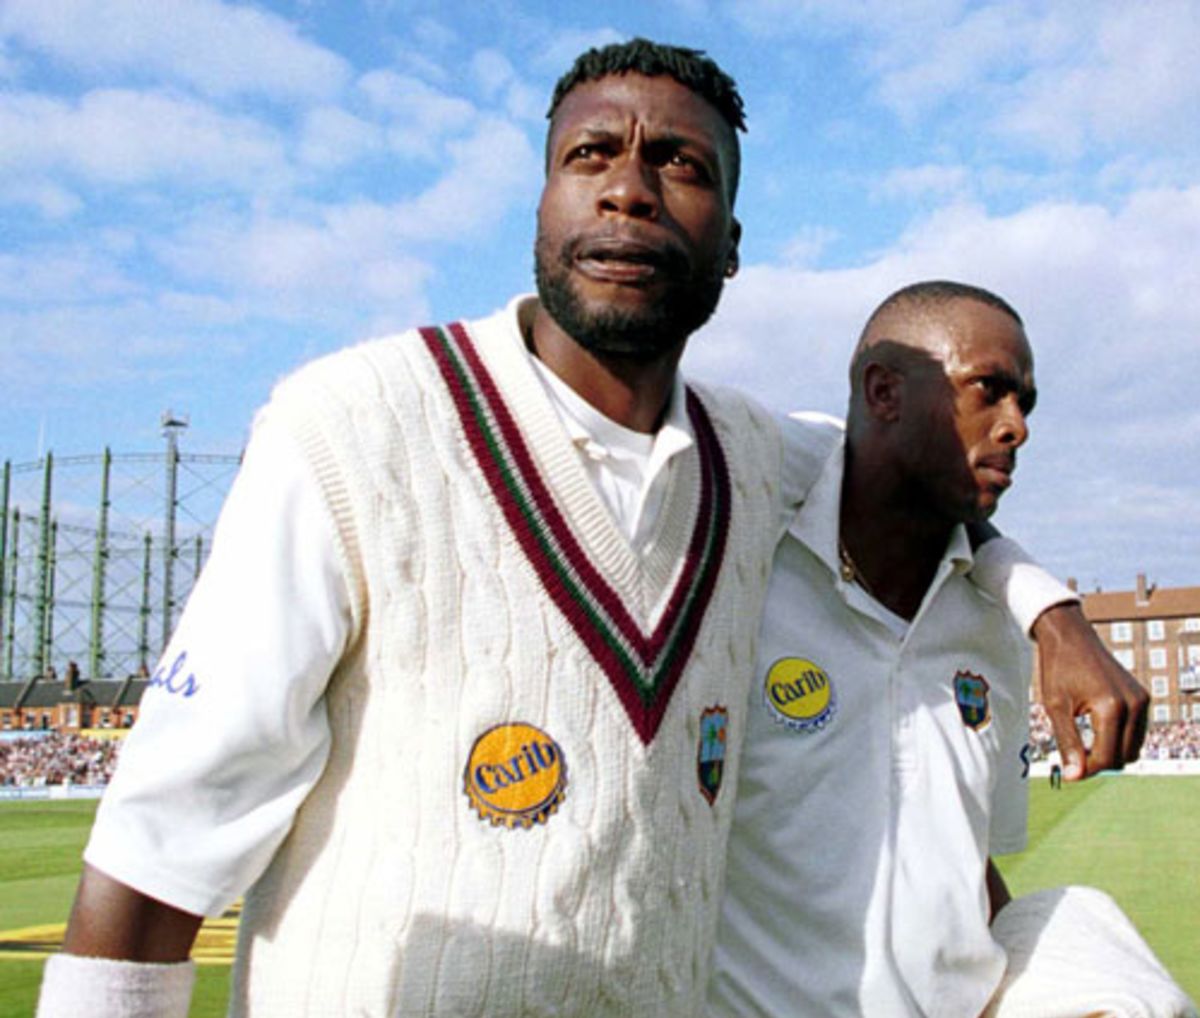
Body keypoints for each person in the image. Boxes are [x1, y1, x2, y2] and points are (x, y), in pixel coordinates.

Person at [38, 41, 1146, 1018]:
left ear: (734, 244)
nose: (629, 189)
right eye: (590, 156)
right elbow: (158, 852)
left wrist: (1049, 611)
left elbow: (923, 483)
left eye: (681, 164)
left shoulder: (754, 457)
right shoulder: (350, 424)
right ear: (538, 213)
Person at [707, 281, 1193, 1017]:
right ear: (884, 392)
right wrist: (1055, 609)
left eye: (1025, 402)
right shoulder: (740, 567)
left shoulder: (990, 626)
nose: (1017, 427)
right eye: (988, 391)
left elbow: (968, 869)